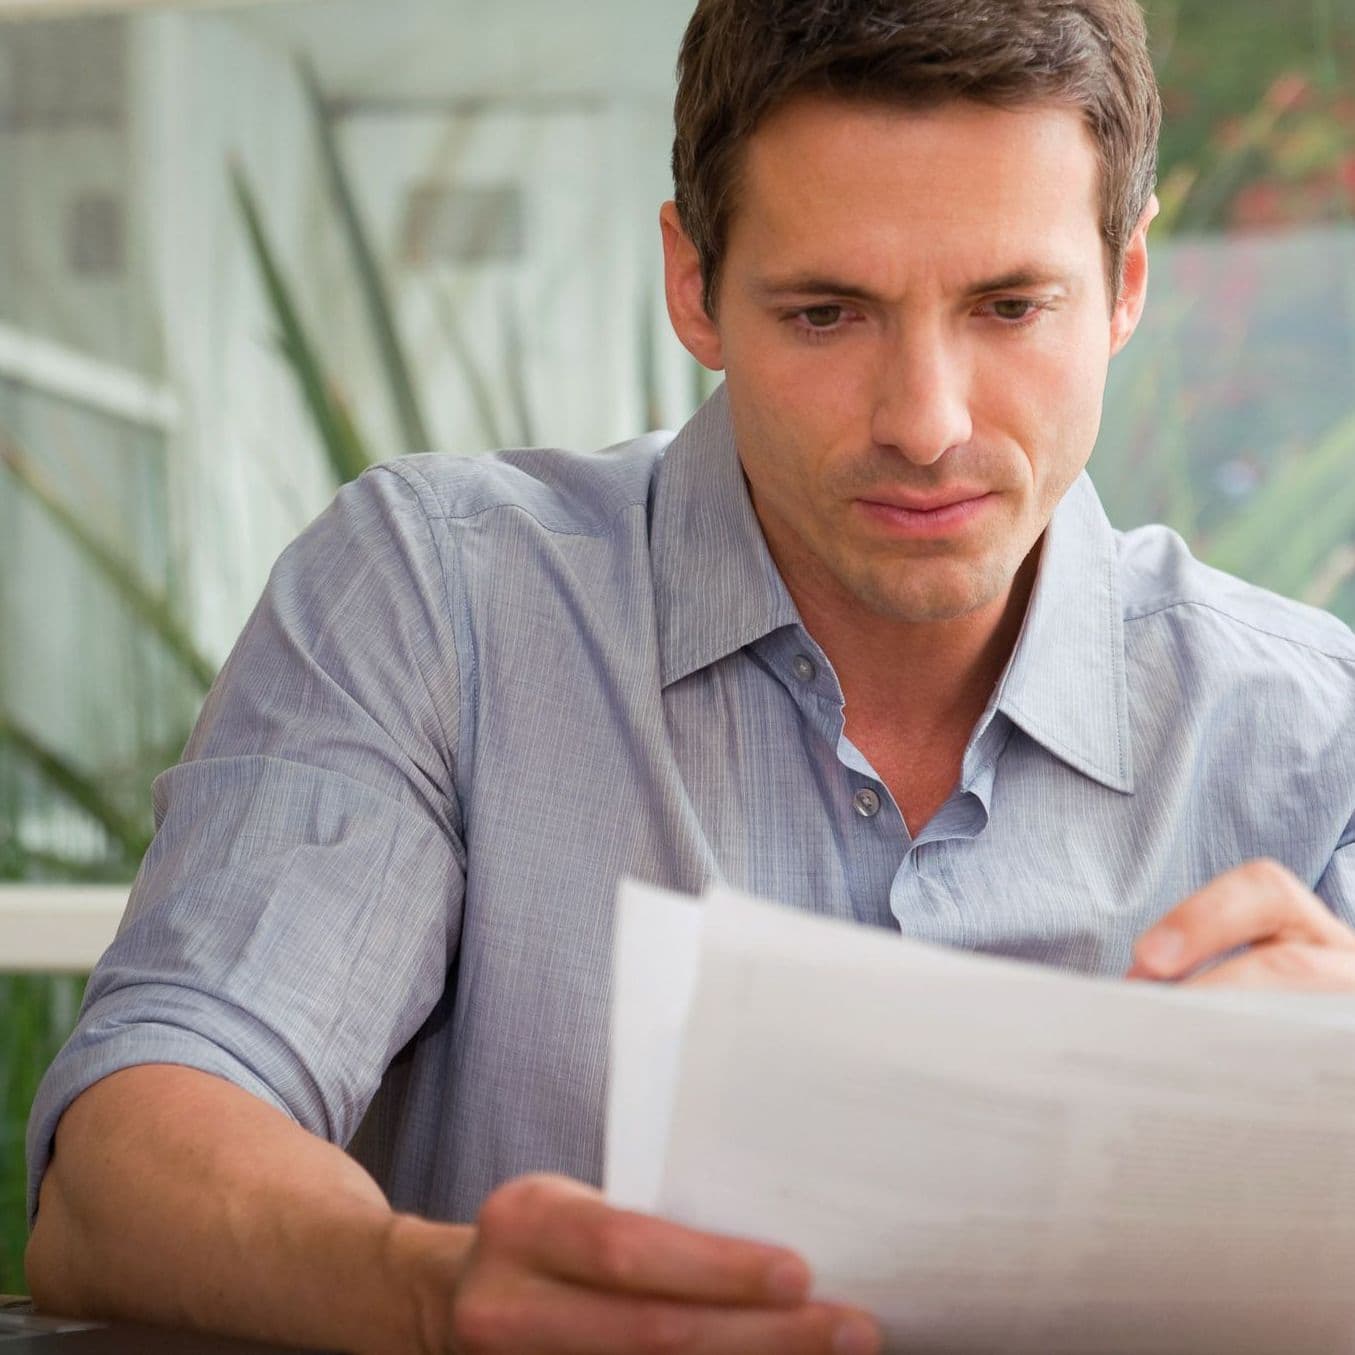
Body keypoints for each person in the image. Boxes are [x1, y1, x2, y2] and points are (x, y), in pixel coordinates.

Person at [24, 0, 1355, 1351]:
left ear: (1127, 285)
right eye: (827, 312)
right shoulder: (436, 605)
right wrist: (428, 1296)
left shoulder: (1321, 737)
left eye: (1012, 307)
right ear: (693, 282)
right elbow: (119, 1175)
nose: (926, 423)